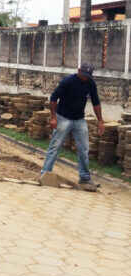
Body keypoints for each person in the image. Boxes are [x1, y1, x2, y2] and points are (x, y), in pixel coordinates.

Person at [41, 63, 104, 191]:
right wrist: (53, 117)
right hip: (63, 117)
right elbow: (53, 99)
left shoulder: (90, 83)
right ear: (78, 71)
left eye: (88, 76)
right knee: (55, 146)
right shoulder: (68, 81)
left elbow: (96, 102)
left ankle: (85, 178)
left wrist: (100, 121)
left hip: (79, 119)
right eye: (84, 75)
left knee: (84, 149)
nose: (86, 78)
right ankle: (45, 174)